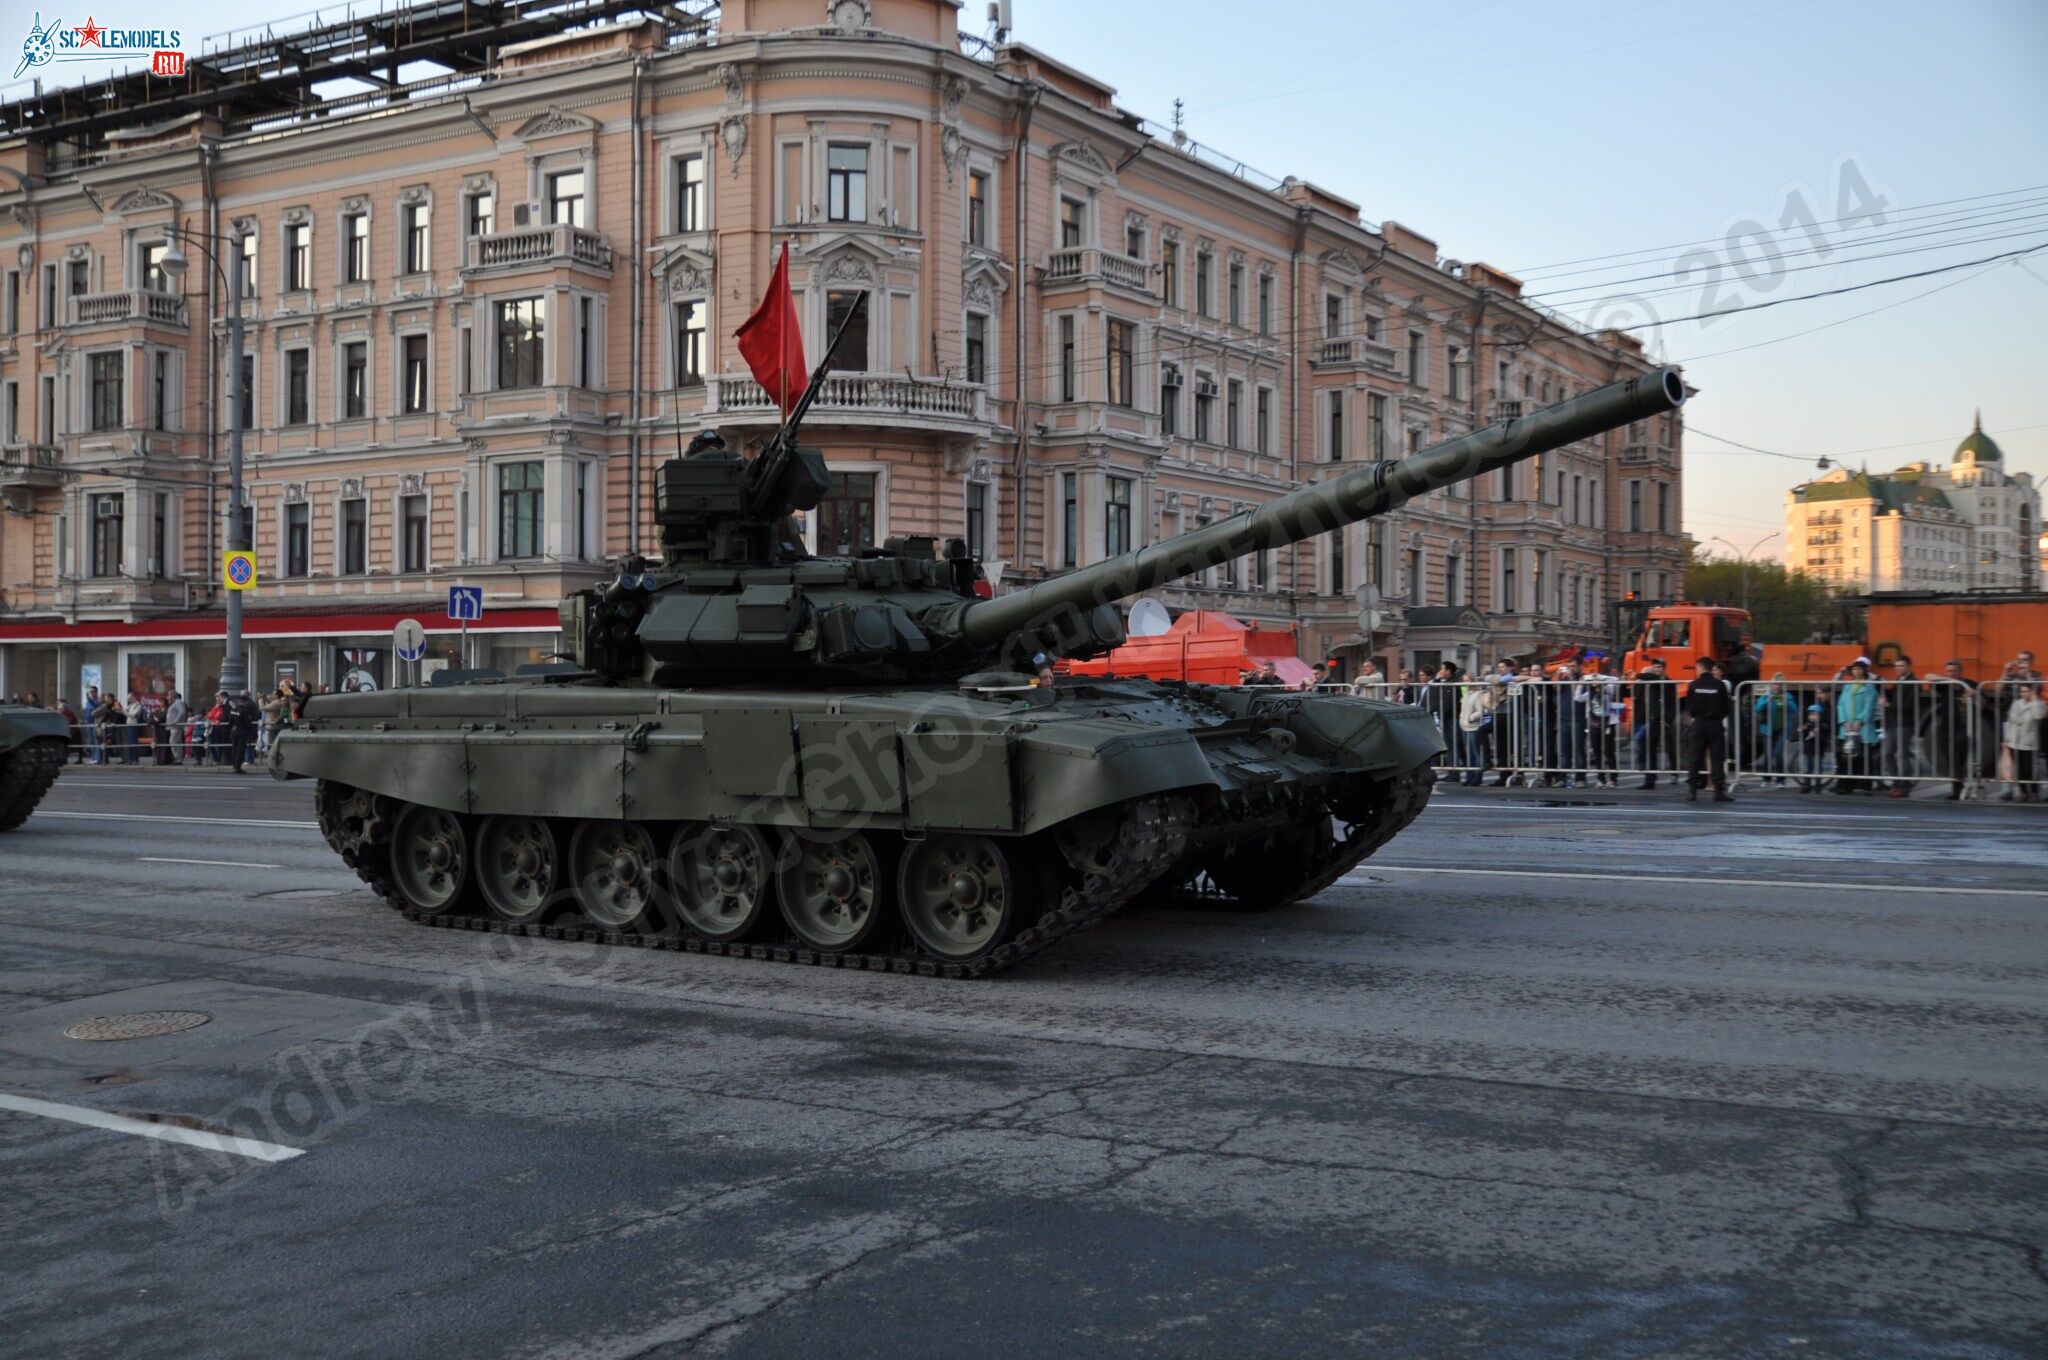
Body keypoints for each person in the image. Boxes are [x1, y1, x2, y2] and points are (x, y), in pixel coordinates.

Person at [1681, 657, 1735, 802]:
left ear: (1701, 667)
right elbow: (1726, 707)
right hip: (1715, 724)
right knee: (1717, 757)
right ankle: (1719, 791)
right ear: (1711, 669)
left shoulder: (1693, 685)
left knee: (1695, 757)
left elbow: (1690, 707)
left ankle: (1692, 790)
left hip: (1699, 724)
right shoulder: (1719, 685)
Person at [1834, 660, 1881, 794]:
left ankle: (1866, 786)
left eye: (1859, 669)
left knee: (1864, 757)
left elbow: (1870, 706)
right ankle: (1846, 786)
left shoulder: (1869, 687)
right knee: (1847, 757)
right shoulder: (1848, 686)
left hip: (1863, 728)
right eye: (1854, 669)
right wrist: (1844, 721)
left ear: (1864, 671)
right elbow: (1840, 705)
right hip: (1847, 728)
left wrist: (1859, 720)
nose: (1856, 671)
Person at [1632, 658, 1678, 788]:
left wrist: (1668, 719)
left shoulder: (1668, 682)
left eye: (1659, 667)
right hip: (1650, 719)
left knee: (1670, 748)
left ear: (1664, 668)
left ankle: (1674, 773)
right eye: (1655, 667)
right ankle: (1649, 778)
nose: (1657, 669)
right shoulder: (1650, 681)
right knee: (1649, 747)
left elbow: (1672, 703)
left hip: (1664, 720)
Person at [1881, 657, 1919, 798]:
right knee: (1888, 754)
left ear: (1909, 666)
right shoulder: (1898, 681)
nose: (1898, 668)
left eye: (1901, 666)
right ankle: (1896, 784)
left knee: (1902, 755)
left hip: (1904, 723)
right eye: (1896, 666)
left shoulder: (1914, 682)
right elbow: (1890, 696)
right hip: (1892, 723)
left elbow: (1909, 705)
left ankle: (1904, 787)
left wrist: (1889, 705)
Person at [1999, 683, 2043, 802]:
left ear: (2032, 692)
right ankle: (2023, 791)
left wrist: (2033, 701)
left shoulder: (2038, 704)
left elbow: (2038, 716)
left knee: (2030, 769)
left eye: (2027, 691)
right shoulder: (2016, 703)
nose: (2024, 694)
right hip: (2015, 740)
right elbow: (2013, 719)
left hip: (2029, 742)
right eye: (2022, 691)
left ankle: (2034, 792)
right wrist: (2007, 739)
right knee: (2019, 769)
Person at [1752, 675, 1796, 788]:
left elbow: (1795, 710)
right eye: (1775, 683)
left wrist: (1787, 703)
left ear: (1782, 686)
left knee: (1778, 752)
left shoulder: (1787, 696)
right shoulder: (1767, 695)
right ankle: (1766, 778)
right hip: (1767, 729)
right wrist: (1767, 700)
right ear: (1771, 684)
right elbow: (1757, 709)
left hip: (1782, 728)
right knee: (1768, 753)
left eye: (1779, 684)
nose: (1776, 686)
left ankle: (1781, 780)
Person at [1456, 678, 1497, 787]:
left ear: (1473, 682)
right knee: (1469, 754)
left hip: (1473, 727)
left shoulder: (1478, 694)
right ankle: (1470, 777)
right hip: (1464, 726)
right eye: (1464, 680)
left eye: (1467, 680)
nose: (1465, 682)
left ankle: (1477, 777)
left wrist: (1471, 717)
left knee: (1476, 753)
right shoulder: (1465, 695)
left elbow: (1480, 711)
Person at [164, 691, 190, 766]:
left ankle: (178, 759)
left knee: (174, 741)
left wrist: (175, 721)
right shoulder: (174, 703)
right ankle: (177, 758)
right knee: (176, 742)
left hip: (176, 726)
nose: (168, 697)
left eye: (169, 695)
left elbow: (182, 712)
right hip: (173, 727)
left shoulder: (178, 702)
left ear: (173, 696)